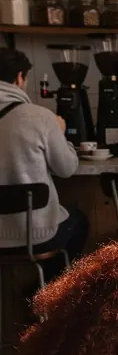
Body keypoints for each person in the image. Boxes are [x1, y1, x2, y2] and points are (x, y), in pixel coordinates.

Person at [0, 46, 87, 277]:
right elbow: (67, 169)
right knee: (79, 222)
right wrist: (62, 132)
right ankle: (50, 290)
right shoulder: (39, 117)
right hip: (36, 236)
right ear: (20, 77)